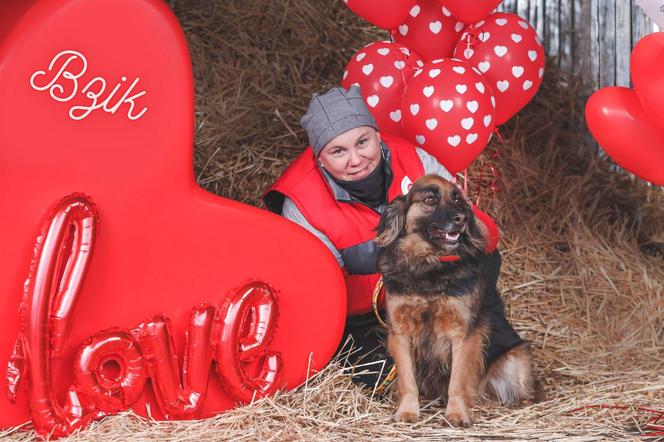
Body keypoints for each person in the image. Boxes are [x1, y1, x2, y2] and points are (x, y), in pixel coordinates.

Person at [263, 85, 504, 388]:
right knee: (381, 377)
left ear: (378, 135)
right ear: (319, 158)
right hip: (361, 315)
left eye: (362, 141)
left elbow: (481, 232)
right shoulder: (301, 202)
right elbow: (318, 294)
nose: (356, 159)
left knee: (484, 260)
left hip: (432, 293)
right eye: (338, 151)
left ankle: (454, 340)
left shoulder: (416, 160)